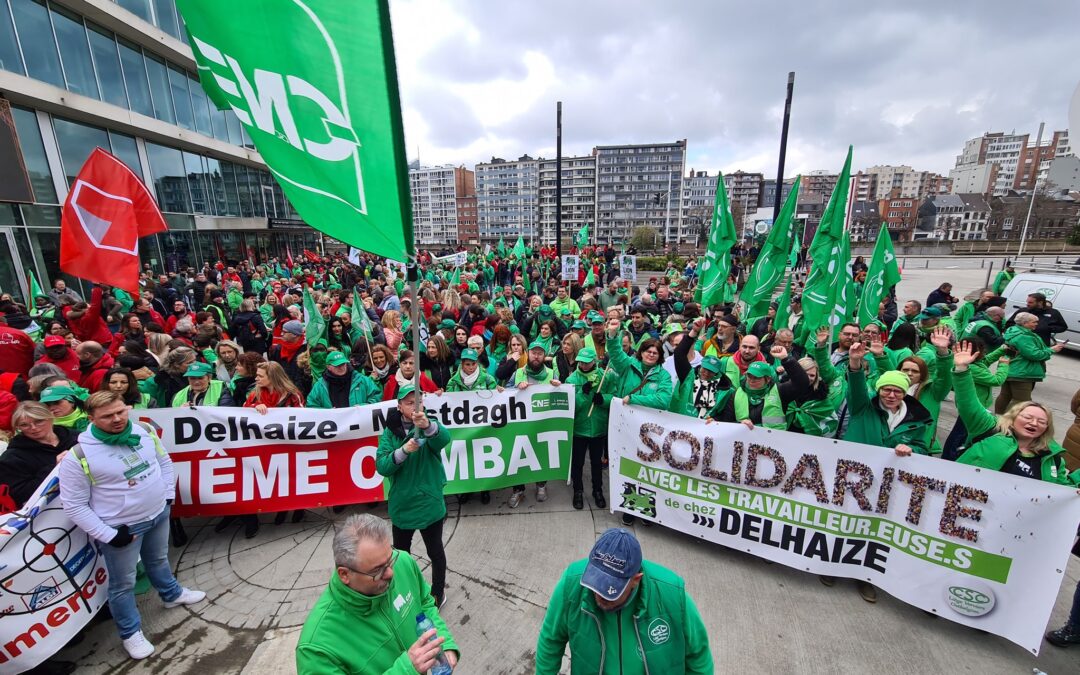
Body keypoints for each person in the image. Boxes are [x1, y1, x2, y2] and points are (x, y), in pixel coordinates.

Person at [58, 391, 206, 660]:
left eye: (120, 412)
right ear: (90, 418)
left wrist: (168, 497)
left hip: (158, 512)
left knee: (159, 559)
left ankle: (171, 594)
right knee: (122, 584)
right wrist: (109, 535)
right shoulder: (77, 457)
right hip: (122, 529)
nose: (116, 419)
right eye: (107, 416)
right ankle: (130, 632)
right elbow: (74, 505)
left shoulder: (144, 429)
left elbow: (163, 461)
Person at [295, 513, 459, 674]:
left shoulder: (402, 562)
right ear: (344, 574)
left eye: (389, 560)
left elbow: (424, 602)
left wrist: (444, 645)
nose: (390, 573)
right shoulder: (315, 649)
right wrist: (406, 670)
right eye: (377, 570)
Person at [536, 528, 712, 674]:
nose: (599, 596)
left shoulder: (673, 595)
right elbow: (551, 640)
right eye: (596, 584)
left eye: (611, 590)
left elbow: (698, 657)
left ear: (636, 579)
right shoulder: (572, 583)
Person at [952, 342, 1078, 486]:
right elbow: (968, 403)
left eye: (1042, 422)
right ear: (1012, 418)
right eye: (1027, 417)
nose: (1034, 423)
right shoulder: (989, 429)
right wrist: (961, 369)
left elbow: (1063, 489)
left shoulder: (1053, 457)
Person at [374, 384, 452, 608]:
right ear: (399, 407)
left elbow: (443, 440)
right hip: (403, 505)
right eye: (409, 402)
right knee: (401, 556)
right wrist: (403, 451)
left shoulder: (428, 426)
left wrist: (428, 426)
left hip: (429, 503)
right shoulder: (389, 434)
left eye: (418, 401)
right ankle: (404, 591)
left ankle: (438, 593)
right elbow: (382, 466)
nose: (415, 406)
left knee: (435, 551)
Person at [509, 340, 562, 508]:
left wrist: (558, 387)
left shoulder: (551, 373)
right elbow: (504, 394)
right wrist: (516, 387)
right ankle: (518, 490)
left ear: (544, 355)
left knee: (541, 454)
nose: (536, 356)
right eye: (534, 353)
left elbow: (560, 397)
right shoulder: (518, 372)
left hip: (542, 424)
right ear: (528, 353)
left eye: (540, 353)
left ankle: (541, 485)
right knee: (518, 456)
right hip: (521, 423)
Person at [0, 402, 79, 511]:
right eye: (24, 425)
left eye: (39, 421)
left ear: (50, 418)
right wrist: (53, 467)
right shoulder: (12, 457)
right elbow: (19, 495)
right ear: (18, 427)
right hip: (50, 514)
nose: (33, 428)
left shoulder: (77, 438)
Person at [565, 347, 609, 510]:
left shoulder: (606, 376)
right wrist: (582, 394)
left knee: (597, 463)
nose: (583, 365)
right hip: (579, 429)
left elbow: (614, 396)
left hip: (598, 428)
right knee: (578, 463)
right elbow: (570, 407)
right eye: (580, 362)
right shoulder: (572, 380)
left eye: (587, 362)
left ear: (594, 361)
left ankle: (598, 491)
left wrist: (603, 399)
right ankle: (578, 491)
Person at [995, 311, 1061, 413]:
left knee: (1005, 395)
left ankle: (998, 418)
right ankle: (1011, 422)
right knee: (1022, 401)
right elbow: (1034, 354)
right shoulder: (1024, 337)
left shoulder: (1013, 330)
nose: (1037, 324)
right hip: (1022, 372)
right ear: (1025, 323)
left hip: (1011, 368)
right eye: (1034, 322)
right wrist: (1052, 350)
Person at [307, 351, 382, 408]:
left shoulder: (362, 380)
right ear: (328, 367)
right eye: (337, 365)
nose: (341, 367)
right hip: (334, 426)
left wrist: (363, 407)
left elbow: (377, 396)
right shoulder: (320, 386)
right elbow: (311, 405)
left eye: (343, 364)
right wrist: (327, 413)